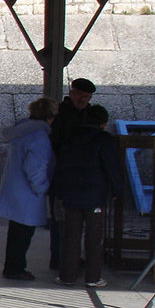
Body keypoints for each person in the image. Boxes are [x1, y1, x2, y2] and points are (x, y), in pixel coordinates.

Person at [54, 103, 119, 287]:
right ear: (103, 123)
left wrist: (60, 190)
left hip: (71, 192)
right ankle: (93, 277)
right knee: (94, 237)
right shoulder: (105, 140)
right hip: (94, 194)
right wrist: (117, 190)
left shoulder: (69, 138)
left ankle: (67, 276)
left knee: (71, 236)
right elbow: (111, 167)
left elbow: (61, 165)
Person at [0, 97, 58, 281]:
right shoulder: (39, 137)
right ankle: (15, 268)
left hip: (15, 189)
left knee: (16, 232)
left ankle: (12, 266)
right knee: (23, 234)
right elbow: (35, 168)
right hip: (28, 193)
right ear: (50, 117)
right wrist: (43, 187)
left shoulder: (22, 132)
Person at [48, 77, 96, 268]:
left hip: (81, 178)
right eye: (80, 96)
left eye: (86, 97)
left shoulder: (89, 115)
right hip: (62, 176)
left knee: (77, 223)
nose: (82, 100)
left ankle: (71, 256)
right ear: (71, 93)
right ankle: (59, 257)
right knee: (60, 221)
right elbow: (55, 144)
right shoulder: (59, 115)